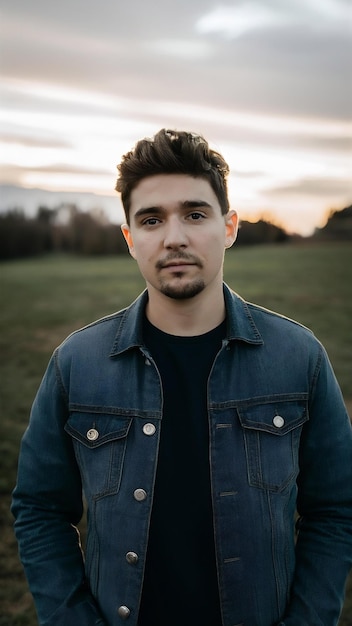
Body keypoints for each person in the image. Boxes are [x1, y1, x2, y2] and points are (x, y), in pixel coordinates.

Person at [12, 128, 352, 626]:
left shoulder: (299, 358)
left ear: (229, 226)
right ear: (130, 239)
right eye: (151, 220)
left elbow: (337, 510)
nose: (175, 237)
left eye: (195, 214)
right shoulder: (75, 363)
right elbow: (39, 509)